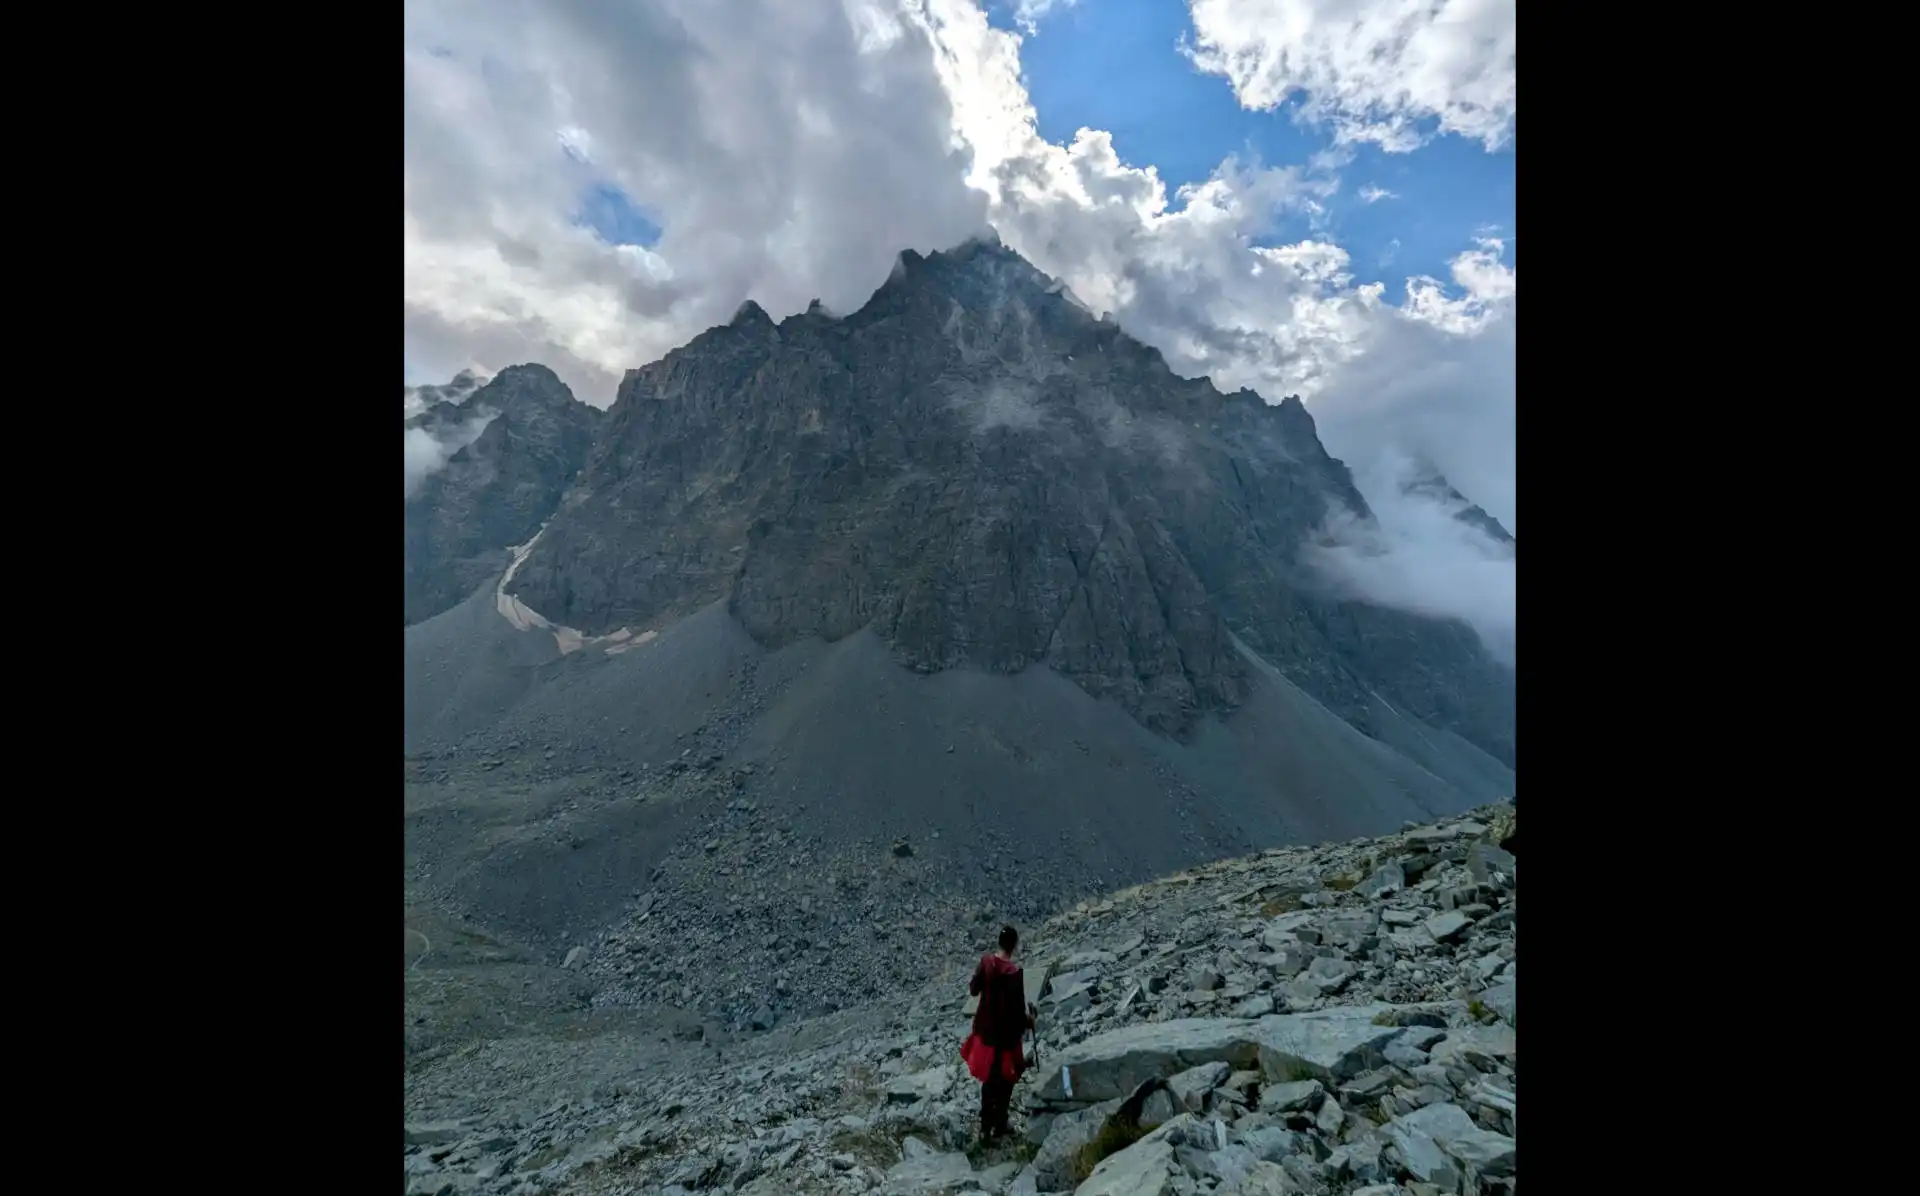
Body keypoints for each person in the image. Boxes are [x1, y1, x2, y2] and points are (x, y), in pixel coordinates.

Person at [960, 924, 1036, 1140]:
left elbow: (974, 989)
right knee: (1007, 1078)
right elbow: (1016, 1010)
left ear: (999, 943)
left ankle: (985, 1127)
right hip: (1006, 1038)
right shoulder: (1013, 974)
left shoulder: (986, 963)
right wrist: (1029, 1022)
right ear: (1014, 946)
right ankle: (1000, 1122)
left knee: (989, 1080)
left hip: (986, 1033)